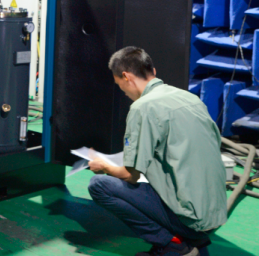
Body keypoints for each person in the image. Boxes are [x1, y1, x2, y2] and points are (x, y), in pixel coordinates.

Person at [87, 47, 227, 256]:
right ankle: (191, 239)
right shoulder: (189, 98)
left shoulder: (143, 107)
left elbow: (130, 175)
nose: (123, 92)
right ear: (153, 71)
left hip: (190, 220)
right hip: (215, 215)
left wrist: (104, 166)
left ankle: (172, 244)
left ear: (126, 77)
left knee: (99, 185)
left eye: (119, 85)